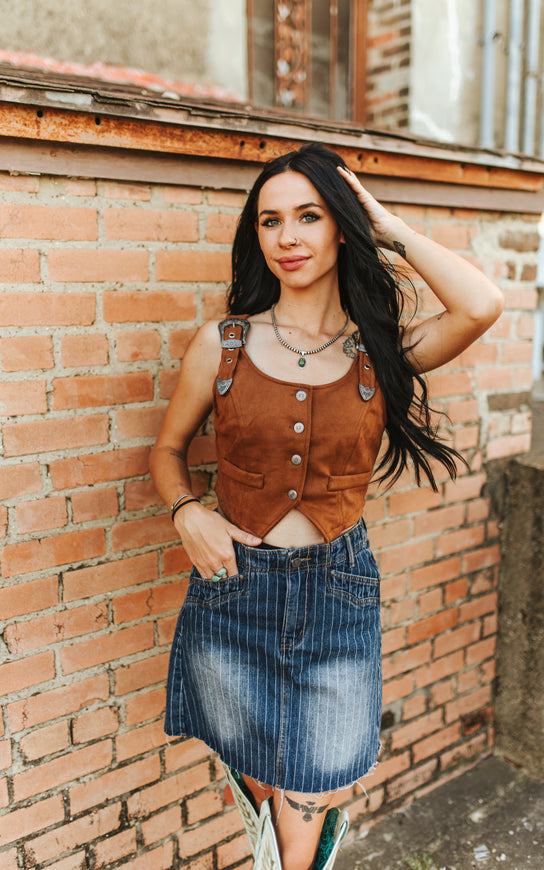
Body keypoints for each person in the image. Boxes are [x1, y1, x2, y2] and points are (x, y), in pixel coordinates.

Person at [149, 143, 504, 870]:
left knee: (314, 780)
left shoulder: (380, 351)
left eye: (309, 216)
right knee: (259, 769)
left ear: (342, 226)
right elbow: (167, 449)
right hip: (234, 588)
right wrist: (188, 512)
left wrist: (386, 225)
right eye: (270, 220)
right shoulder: (223, 343)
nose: (288, 236)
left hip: (337, 590)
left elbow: (481, 305)